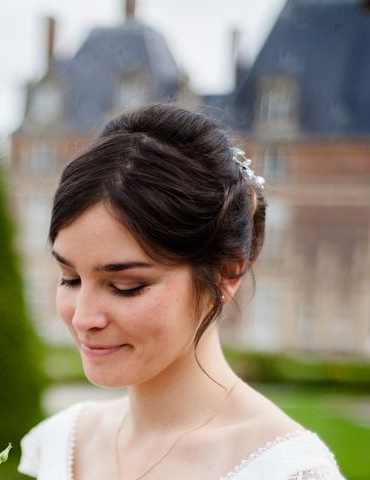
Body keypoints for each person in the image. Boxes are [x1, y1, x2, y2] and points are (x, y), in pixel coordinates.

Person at [18, 104, 344, 480]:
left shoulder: (286, 471)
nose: (83, 318)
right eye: (69, 278)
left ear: (227, 273)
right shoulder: (64, 442)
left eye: (127, 287)